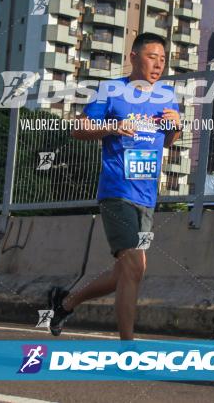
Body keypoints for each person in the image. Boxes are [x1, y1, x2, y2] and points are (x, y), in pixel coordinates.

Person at [47, 33, 182, 340]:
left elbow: (169, 142)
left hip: (147, 193)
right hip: (117, 190)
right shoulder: (112, 90)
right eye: (151, 57)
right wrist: (111, 127)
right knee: (133, 266)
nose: (158, 64)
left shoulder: (166, 96)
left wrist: (177, 126)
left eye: (162, 59)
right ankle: (127, 348)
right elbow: (79, 129)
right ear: (133, 57)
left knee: (127, 272)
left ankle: (66, 303)